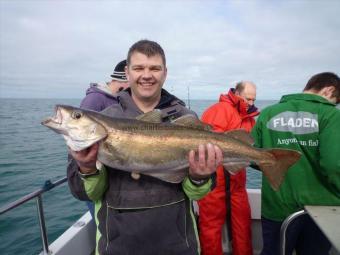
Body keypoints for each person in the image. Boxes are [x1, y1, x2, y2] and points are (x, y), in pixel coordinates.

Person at [67, 39, 223, 255]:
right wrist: (86, 168)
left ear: (165, 73)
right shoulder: (105, 120)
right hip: (117, 247)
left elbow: (197, 194)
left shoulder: (185, 118)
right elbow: (85, 193)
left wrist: (199, 177)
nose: (147, 75)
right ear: (127, 72)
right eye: (139, 68)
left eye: (155, 68)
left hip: (178, 245)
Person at [251, 72, 340, 255]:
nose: (335, 105)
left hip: (276, 207)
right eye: (336, 100)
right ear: (329, 90)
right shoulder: (331, 115)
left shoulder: (268, 113)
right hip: (319, 210)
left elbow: (253, 158)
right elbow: (333, 165)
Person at [197, 81, 258, 255]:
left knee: (243, 228)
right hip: (214, 183)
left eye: (254, 99)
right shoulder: (219, 110)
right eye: (248, 99)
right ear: (237, 94)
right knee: (210, 229)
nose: (251, 103)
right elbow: (208, 144)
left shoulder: (249, 119)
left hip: (237, 184)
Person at [79, 59, 129, 218]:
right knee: (102, 220)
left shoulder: (117, 99)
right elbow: (83, 136)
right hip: (95, 174)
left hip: (110, 170)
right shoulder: (95, 100)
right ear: (124, 80)